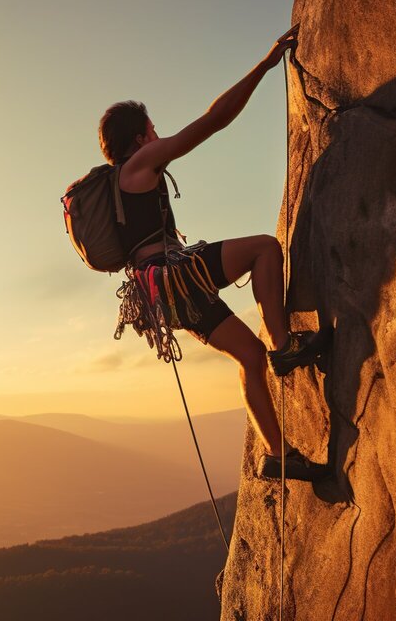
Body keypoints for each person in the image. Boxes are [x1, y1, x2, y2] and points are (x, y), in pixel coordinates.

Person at [100, 26, 331, 481]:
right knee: (266, 249)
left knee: (249, 355)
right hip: (173, 276)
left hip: (159, 295)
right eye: (153, 130)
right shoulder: (141, 164)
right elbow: (212, 121)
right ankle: (285, 347)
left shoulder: (113, 189)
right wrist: (265, 66)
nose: (159, 135)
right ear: (140, 139)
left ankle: (277, 454)